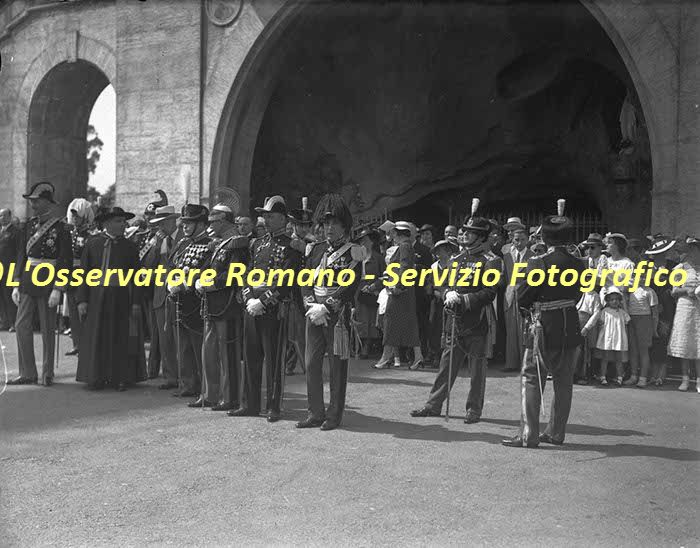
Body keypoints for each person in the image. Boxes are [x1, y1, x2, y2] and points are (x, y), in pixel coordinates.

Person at [502, 199, 585, 448]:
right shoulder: (578, 263)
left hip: (544, 325)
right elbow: (579, 293)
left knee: (531, 377)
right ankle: (556, 433)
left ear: (545, 237)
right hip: (570, 323)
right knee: (563, 381)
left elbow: (524, 296)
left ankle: (528, 435)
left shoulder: (539, 262)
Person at [411, 199, 501, 424]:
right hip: (454, 319)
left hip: (477, 320)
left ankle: (473, 409)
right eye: (465, 231)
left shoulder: (492, 261)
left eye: (470, 232)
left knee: (477, 369)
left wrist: (463, 299)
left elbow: (490, 292)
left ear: (480, 236)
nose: (465, 235)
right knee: (446, 366)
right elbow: (442, 283)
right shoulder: (456, 259)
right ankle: (433, 405)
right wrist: (447, 293)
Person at [230, 196, 302, 422]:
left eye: (271, 216)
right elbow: (247, 273)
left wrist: (263, 301)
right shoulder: (257, 244)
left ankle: (273, 406)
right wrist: (248, 297)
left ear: (283, 219)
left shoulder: (291, 246)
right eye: (265, 216)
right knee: (250, 357)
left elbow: (286, 282)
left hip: (273, 308)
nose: (266, 220)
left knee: (273, 360)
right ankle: (249, 404)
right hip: (253, 307)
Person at [296, 194, 364, 431]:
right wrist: (311, 305)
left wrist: (326, 307)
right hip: (314, 312)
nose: (329, 228)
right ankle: (315, 412)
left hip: (337, 315)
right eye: (326, 223)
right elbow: (305, 280)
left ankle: (334, 415)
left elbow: (351, 284)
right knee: (311, 364)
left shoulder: (353, 252)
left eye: (334, 223)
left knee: (336, 368)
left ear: (344, 226)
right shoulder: (315, 250)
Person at [75, 207, 147, 390]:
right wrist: (82, 300)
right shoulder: (93, 243)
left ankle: (119, 377)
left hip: (120, 297)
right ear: (107, 224)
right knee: (97, 336)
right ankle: (96, 376)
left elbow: (137, 278)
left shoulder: (130, 247)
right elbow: (83, 273)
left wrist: (136, 302)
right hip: (96, 297)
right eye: (118, 221)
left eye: (124, 221)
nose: (123, 225)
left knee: (119, 337)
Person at [9, 182, 72, 386]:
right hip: (28, 278)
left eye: (36, 201)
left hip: (49, 278)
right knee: (21, 325)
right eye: (31, 201)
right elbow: (21, 256)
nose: (32, 205)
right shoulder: (27, 226)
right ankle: (27, 372)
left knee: (47, 327)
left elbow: (65, 260)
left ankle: (47, 373)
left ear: (47, 202)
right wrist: (16, 284)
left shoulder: (61, 228)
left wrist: (58, 288)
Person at [197, 198, 249, 410]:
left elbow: (234, 274)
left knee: (227, 354)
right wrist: (200, 279)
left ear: (223, 222)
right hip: (212, 304)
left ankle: (229, 397)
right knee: (209, 352)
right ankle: (210, 394)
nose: (210, 226)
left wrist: (211, 284)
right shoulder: (219, 244)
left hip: (227, 305)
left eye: (213, 222)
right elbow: (209, 268)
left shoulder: (237, 243)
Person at [168, 204, 213, 401]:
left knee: (199, 347)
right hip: (180, 301)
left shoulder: (210, 245)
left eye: (189, 222)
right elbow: (173, 266)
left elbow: (207, 271)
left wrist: (185, 284)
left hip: (197, 301)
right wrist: (171, 282)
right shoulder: (183, 244)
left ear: (201, 224)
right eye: (184, 222)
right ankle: (188, 384)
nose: (184, 226)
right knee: (183, 346)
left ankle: (204, 388)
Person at [374, 221, 424, 369]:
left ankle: (386, 356)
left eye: (392, 232)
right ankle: (418, 356)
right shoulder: (406, 246)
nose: (390, 234)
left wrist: (399, 286)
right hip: (404, 290)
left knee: (390, 322)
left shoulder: (404, 246)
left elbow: (405, 267)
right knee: (409, 323)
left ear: (397, 232)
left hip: (400, 291)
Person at [142, 205, 181, 390]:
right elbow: (148, 265)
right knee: (165, 339)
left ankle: (186, 377)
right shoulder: (159, 241)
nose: (160, 227)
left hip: (179, 292)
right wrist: (156, 246)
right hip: (161, 293)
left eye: (162, 223)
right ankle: (170, 376)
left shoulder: (184, 237)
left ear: (172, 221)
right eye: (158, 224)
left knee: (180, 338)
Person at [286, 197, 316, 375]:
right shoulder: (287, 242)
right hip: (290, 290)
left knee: (303, 328)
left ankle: (305, 365)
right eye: (301, 226)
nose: (304, 229)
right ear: (294, 226)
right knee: (292, 330)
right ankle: (291, 363)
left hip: (307, 290)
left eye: (307, 226)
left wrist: (305, 248)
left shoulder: (312, 244)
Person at [573, 233, 607, 384]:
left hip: (600, 298)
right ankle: (578, 372)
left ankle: (590, 373)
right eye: (587, 248)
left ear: (600, 248)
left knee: (593, 344)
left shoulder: (603, 259)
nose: (589, 251)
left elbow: (601, 280)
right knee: (580, 345)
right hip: (584, 306)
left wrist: (589, 276)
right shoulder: (585, 260)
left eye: (592, 247)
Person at [667, 236, 700, 392]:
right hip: (685, 308)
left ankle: (699, 380)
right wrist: (687, 290)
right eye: (690, 249)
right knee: (685, 343)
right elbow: (674, 291)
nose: (692, 252)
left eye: (695, 249)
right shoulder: (680, 268)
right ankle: (685, 379)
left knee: (698, 344)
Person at [63, 198, 96, 357]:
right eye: (73, 216)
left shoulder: (91, 235)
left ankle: (86, 344)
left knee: (84, 312)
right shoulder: (70, 234)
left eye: (78, 216)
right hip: (71, 274)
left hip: (84, 275)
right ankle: (76, 344)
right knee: (72, 313)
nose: (75, 219)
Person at [644, 234, 678, 386]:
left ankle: (661, 374)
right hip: (649, 306)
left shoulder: (673, 266)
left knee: (662, 339)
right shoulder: (646, 266)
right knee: (651, 340)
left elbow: (673, 287)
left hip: (666, 307)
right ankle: (652, 373)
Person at [582, 286, 631, 386]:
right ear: (608, 301)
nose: (614, 301)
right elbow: (600, 322)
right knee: (605, 357)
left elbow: (627, 321)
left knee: (619, 358)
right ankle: (603, 376)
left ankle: (619, 377)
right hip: (607, 338)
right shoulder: (604, 311)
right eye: (612, 299)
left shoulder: (622, 313)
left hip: (618, 339)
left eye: (617, 299)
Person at [502, 227, 531, 371]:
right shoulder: (507, 256)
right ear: (512, 240)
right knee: (511, 329)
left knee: (524, 329)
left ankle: (524, 363)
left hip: (525, 293)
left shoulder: (532, 256)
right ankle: (511, 363)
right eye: (516, 240)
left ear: (528, 240)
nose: (519, 243)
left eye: (522, 240)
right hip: (509, 295)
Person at [354, 225, 385, 359]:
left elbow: (384, 277)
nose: (362, 243)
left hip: (372, 292)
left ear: (371, 242)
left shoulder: (378, 258)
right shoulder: (356, 258)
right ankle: (358, 346)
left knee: (371, 319)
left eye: (365, 240)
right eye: (361, 240)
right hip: (358, 291)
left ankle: (368, 346)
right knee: (359, 318)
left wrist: (374, 286)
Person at [625, 275, 658, 387]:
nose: (642, 279)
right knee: (633, 349)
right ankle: (633, 376)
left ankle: (643, 378)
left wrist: (654, 329)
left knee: (643, 350)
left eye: (645, 277)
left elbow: (655, 313)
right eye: (640, 277)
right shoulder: (631, 290)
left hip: (644, 320)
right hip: (631, 319)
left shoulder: (650, 292)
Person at [0, 207, 20, 331]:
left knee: (9, 296)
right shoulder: (0, 230)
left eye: (3, 215)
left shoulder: (15, 232)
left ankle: (13, 322)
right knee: (1, 297)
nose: (1, 218)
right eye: (0, 216)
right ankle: (4, 321)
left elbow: (18, 252)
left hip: (10, 268)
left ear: (9, 217)